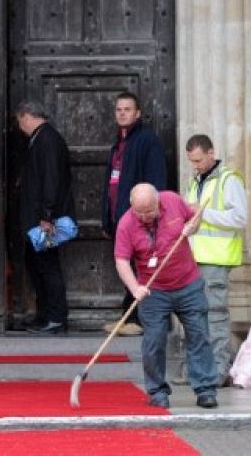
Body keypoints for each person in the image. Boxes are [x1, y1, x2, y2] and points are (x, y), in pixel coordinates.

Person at [114, 183, 218, 408]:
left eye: (149, 211)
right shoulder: (126, 223)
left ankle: (205, 389)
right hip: (153, 290)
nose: (144, 217)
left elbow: (196, 210)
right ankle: (157, 391)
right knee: (154, 341)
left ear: (157, 202)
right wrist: (135, 289)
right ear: (132, 207)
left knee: (199, 334)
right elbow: (121, 260)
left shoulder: (172, 200)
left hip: (188, 283)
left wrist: (194, 225)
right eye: (139, 212)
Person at [100, 92, 167, 336]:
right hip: (121, 218)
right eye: (119, 109)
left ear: (138, 113)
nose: (122, 113)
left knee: (141, 267)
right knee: (127, 266)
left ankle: (139, 320)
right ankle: (127, 317)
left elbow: (156, 179)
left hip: (139, 217)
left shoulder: (146, 139)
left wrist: (151, 216)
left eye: (127, 109)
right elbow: (111, 184)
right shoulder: (119, 142)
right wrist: (108, 218)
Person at [184, 134, 248, 385]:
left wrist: (203, 214)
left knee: (215, 315)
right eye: (192, 161)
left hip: (216, 258)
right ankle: (201, 368)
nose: (196, 165)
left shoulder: (229, 180)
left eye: (199, 160)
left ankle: (220, 370)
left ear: (211, 153)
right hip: (193, 258)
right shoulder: (194, 180)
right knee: (196, 315)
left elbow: (240, 218)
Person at [15, 100, 74, 335]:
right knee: (36, 265)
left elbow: (51, 179)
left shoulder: (47, 139)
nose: (20, 126)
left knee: (48, 266)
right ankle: (43, 316)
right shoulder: (40, 138)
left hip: (45, 221)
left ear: (27, 116)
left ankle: (57, 319)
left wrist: (47, 215)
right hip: (36, 221)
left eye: (20, 121)